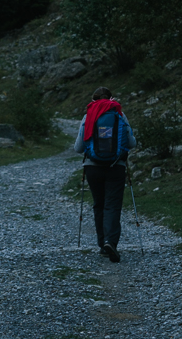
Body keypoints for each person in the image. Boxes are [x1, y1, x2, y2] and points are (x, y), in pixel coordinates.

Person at [74, 86, 136, 263]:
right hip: (116, 167)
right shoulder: (119, 115)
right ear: (111, 98)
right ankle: (111, 242)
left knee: (99, 204)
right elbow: (132, 143)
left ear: (93, 100)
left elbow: (78, 148)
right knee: (112, 205)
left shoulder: (88, 116)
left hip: (93, 168)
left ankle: (102, 245)